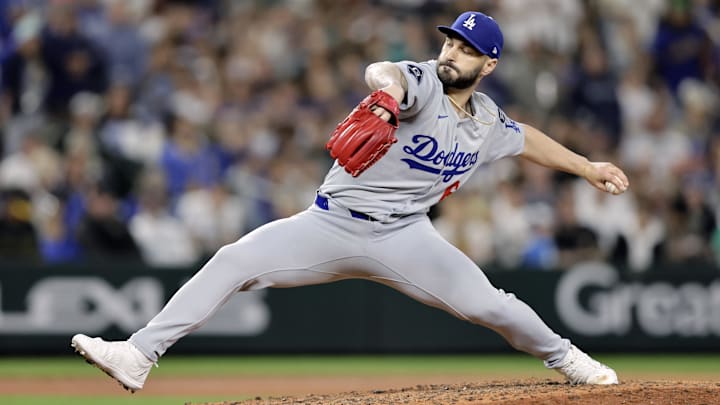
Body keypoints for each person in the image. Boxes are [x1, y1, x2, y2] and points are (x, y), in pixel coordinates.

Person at [71, 11, 628, 392]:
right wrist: (385, 95)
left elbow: (527, 137)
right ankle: (139, 356)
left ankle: (567, 359)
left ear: (489, 66)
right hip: (330, 224)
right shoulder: (419, 80)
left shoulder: (486, 122)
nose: (453, 52)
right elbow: (384, 72)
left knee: (493, 306)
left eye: (469, 50)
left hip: (406, 236)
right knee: (233, 260)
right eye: (452, 41)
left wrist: (587, 167)